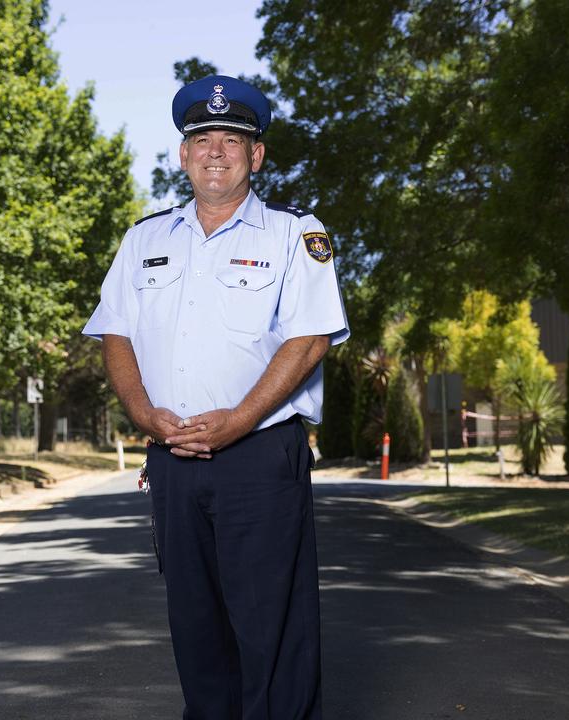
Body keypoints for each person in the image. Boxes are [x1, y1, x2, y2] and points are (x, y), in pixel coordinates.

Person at [82, 74, 350, 719]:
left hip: (258, 458)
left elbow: (310, 339)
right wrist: (145, 417)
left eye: (233, 140)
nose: (216, 151)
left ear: (256, 157)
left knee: (272, 627)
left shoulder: (295, 234)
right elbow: (115, 334)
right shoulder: (144, 239)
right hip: (173, 459)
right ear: (184, 154)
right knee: (195, 624)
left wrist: (239, 420)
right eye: (202, 139)